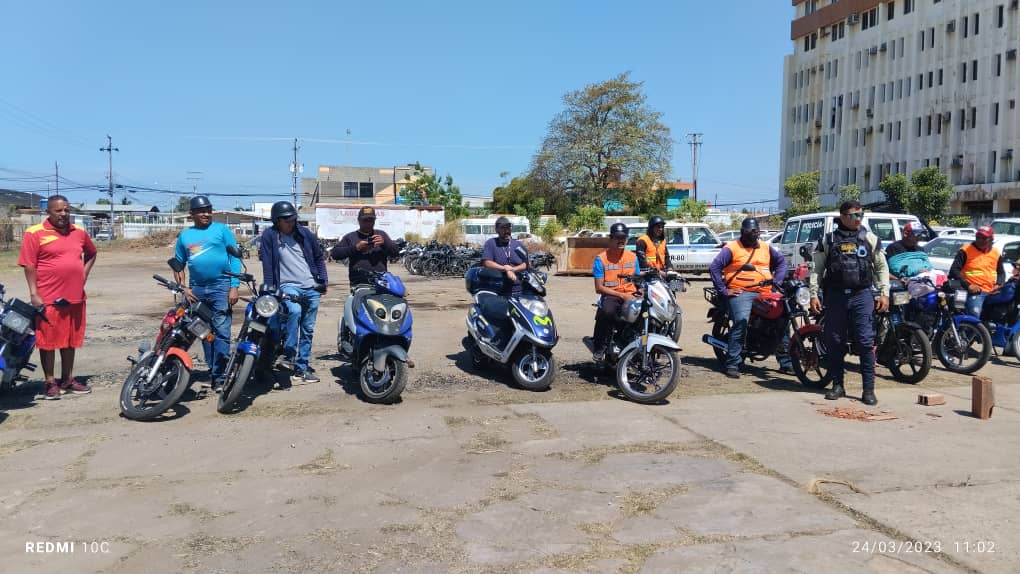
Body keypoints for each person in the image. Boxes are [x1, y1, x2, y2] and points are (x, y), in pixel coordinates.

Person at [808, 200, 890, 406]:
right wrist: (813, 294)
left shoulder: (869, 238)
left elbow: (881, 268)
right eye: (854, 215)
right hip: (836, 296)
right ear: (843, 216)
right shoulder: (828, 240)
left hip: (862, 295)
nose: (858, 219)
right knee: (835, 341)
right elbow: (816, 269)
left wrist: (884, 293)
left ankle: (868, 390)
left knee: (865, 342)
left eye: (861, 215)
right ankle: (838, 386)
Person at [18, 195, 97, 399]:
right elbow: (29, 265)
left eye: (66, 210)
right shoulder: (34, 233)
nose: (63, 214)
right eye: (58, 210)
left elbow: (91, 253)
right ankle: (50, 382)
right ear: (48, 212)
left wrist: (84, 274)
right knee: (48, 340)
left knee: (71, 339)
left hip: (75, 296)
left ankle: (68, 379)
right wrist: (34, 293)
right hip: (48, 296)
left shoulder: (79, 232)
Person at [172, 195, 241, 391]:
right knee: (204, 333)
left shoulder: (222, 230)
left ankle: (220, 376)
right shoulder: (185, 236)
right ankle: (213, 371)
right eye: (201, 211)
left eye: (209, 210)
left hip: (221, 287)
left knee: (222, 332)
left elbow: (235, 258)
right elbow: (178, 264)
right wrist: (184, 288)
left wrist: (234, 286)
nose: (206, 214)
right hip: (197, 290)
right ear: (192, 214)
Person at [708, 217, 789, 378]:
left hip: (765, 291)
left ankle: (785, 361)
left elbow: (781, 262)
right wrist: (724, 290)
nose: (753, 235)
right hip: (741, 292)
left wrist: (777, 283)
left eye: (756, 232)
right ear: (742, 232)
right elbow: (714, 267)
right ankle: (732, 363)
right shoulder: (732, 248)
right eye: (749, 232)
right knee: (741, 321)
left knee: (783, 317)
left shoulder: (765, 247)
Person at [259, 201, 327, 384]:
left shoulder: (304, 234)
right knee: (294, 312)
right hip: (288, 286)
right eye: (287, 220)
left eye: (293, 219)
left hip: (311, 287)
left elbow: (319, 257)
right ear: (277, 220)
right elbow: (268, 265)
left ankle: (301, 369)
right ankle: (288, 355)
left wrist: (323, 280)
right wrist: (270, 289)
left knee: (308, 329)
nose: (291, 223)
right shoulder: (270, 236)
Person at [330, 206, 401, 353]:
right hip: (359, 284)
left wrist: (385, 243)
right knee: (362, 314)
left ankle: (390, 343)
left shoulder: (381, 235)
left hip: (382, 284)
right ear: (359, 220)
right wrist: (355, 248)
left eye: (371, 220)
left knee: (388, 312)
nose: (368, 223)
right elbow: (335, 253)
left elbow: (396, 253)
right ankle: (354, 340)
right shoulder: (351, 237)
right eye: (365, 220)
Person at [591, 223, 640, 362]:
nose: (621, 241)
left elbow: (638, 280)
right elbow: (599, 288)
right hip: (612, 295)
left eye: (623, 238)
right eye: (618, 237)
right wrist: (622, 295)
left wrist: (642, 291)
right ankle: (600, 347)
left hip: (631, 295)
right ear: (611, 239)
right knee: (607, 311)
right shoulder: (601, 259)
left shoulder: (633, 257)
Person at [948, 225, 1007, 319]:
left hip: (991, 292)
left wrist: (999, 283)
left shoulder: (995, 253)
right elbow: (954, 270)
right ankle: (970, 328)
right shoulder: (965, 250)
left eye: (984, 238)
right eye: (978, 237)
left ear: (991, 239)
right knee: (974, 316)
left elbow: (1001, 272)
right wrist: (968, 285)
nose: (980, 240)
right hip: (974, 291)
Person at [481, 216, 528, 297]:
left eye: (508, 227)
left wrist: (512, 269)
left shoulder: (518, 245)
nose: (507, 231)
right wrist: (504, 269)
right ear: (497, 230)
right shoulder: (491, 243)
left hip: (518, 290)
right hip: (498, 291)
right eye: (503, 228)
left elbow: (525, 264)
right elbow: (487, 262)